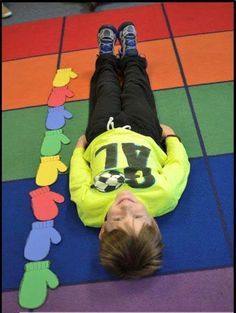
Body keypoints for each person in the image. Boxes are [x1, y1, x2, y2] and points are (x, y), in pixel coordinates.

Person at [69, 22, 190, 279]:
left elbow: (78, 180)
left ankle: (105, 57)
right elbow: (178, 166)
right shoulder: (165, 195)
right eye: (136, 214)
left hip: (102, 133)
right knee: (136, 87)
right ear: (153, 223)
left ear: (103, 229)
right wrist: (171, 138)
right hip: (144, 131)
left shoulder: (89, 210)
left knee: (105, 89)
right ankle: (131, 55)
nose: (126, 206)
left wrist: (79, 151)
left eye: (116, 219)